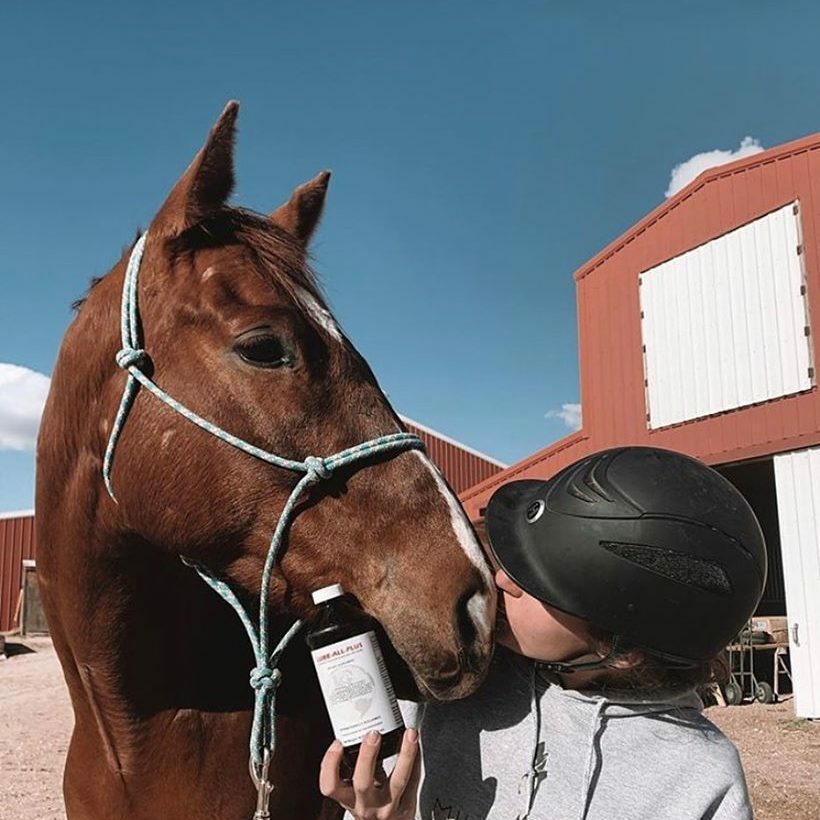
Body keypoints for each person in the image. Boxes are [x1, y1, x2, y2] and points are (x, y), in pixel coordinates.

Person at [320, 447, 765, 820]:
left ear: (622, 650)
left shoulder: (700, 778)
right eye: (514, 562)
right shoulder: (453, 687)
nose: (502, 581)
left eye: (539, 585)